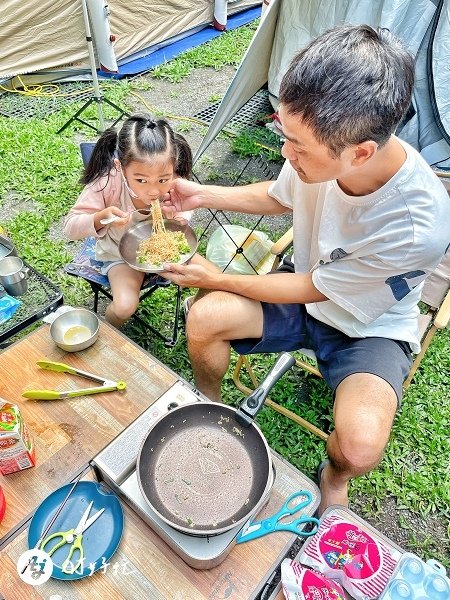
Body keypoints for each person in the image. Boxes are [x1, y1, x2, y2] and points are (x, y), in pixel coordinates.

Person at [160, 24, 450, 515]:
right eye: (284, 135)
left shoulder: (416, 225)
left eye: (298, 146)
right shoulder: (319, 152)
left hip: (366, 326)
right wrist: (203, 192)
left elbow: (314, 289)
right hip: (307, 285)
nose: (284, 154)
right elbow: (277, 195)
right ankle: (210, 403)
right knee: (204, 320)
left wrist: (215, 278)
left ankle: (332, 478)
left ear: (360, 152)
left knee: (360, 446)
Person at [64, 114, 194, 328]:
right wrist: (101, 218)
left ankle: (194, 308)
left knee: (214, 277)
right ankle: (109, 336)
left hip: (168, 253)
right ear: (120, 167)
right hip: (120, 255)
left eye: (163, 179)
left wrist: (181, 217)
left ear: (174, 166)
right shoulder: (108, 181)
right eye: (141, 180)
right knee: (124, 306)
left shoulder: (175, 180)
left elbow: (187, 208)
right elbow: (70, 227)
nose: (153, 190)